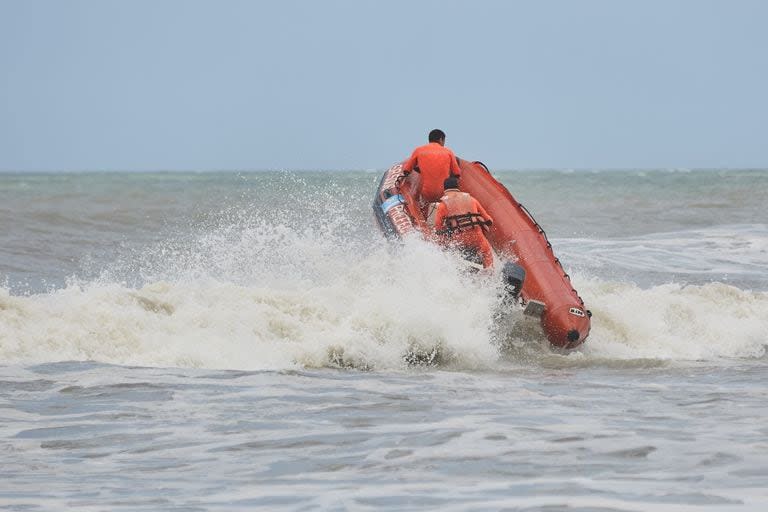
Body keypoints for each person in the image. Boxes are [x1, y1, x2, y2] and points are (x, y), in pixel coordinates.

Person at [433, 177, 495, 268]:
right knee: (487, 253)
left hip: (458, 241)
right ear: (458, 187)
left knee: (442, 242)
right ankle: (490, 274)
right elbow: (489, 220)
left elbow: (438, 227)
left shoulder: (443, 205)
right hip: (477, 239)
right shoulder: (472, 200)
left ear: (445, 189)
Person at [402, 129, 463, 205]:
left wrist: (420, 169)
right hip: (444, 193)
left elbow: (406, 170)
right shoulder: (448, 152)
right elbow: (457, 173)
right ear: (441, 139)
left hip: (427, 194)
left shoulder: (418, 150)